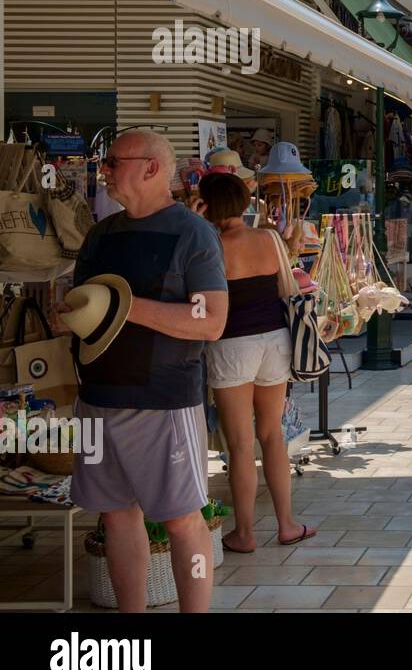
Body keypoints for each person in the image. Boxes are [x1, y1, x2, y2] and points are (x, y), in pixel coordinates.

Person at [65, 130, 230, 613]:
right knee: (115, 517)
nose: (104, 170)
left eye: (113, 161)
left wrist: (125, 307)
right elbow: (80, 306)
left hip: (163, 402)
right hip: (97, 397)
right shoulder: (99, 235)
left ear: (151, 167)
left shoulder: (194, 233)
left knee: (183, 521)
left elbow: (211, 320)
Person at [198, 173, 313, 555]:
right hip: (276, 340)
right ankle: (288, 525)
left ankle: (244, 533)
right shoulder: (269, 238)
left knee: (239, 444)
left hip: (233, 344)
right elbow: (286, 284)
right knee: (272, 435)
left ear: (208, 205)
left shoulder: (212, 245)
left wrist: (195, 223)